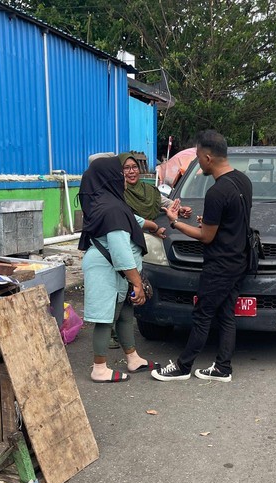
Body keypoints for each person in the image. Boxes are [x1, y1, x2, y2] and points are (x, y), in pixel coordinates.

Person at [151, 130, 252, 383]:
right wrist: (208, 221)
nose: (198, 162)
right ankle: (222, 368)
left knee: (203, 314)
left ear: (208, 157)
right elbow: (232, 221)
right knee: (226, 314)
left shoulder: (217, 192)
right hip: (239, 259)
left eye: (197, 156)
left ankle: (183, 366)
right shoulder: (243, 181)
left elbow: (206, 237)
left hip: (220, 265)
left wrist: (175, 223)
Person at [78, 156, 160, 383]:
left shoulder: (106, 201)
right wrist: (137, 282)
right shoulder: (111, 208)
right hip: (107, 269)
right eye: (120, 172)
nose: (124, 176)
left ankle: (133, 358)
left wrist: (154, 226)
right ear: (108, 177)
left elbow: (133, 220)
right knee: (105, 319)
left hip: (114, 270)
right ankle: (99, 368)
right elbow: (120, 251)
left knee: (125, 313)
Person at [118, 152, 192, 220]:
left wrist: (179, 209)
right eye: (126, 168)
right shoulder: (117, 192)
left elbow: (164, 202)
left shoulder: (148, 189)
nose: (132, 171)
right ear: (119, 171)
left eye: (135, 167)